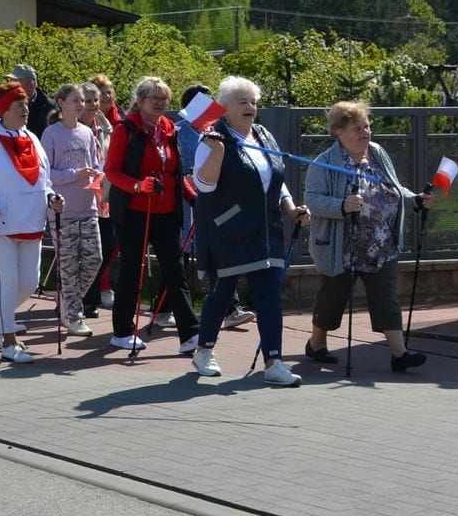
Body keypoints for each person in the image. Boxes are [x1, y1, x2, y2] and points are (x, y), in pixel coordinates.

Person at [189, 77, 310, 386]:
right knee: (222, 292)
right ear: (225, 107)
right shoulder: (211, 138)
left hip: (266, 229)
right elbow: (203, 184)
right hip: (229, 229)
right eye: (242, 102)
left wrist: (291, 209)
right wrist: (216, 152)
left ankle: (274, 362)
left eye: (253, 102)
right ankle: (204, 351)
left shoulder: (264, 135)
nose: (250, 107)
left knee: (269, 295)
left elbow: (276, 180)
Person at [303, 100, 431, 372]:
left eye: (367, 126)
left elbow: (393, 189)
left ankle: (400, 354)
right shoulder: (324, 163)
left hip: (381, 244)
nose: (365, 132)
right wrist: (342, 206)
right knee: (332, 299)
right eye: (357, 128)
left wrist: (414, 199)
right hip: (342, 246)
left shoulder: (377, 153)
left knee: (386, 297)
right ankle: (316, 343)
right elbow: (312, 200)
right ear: (338, 131)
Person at [0, 81, 65, 364]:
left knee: (29, 284)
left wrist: (53, 198)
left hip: (31, 223)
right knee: (8, 282)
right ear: (4, 109)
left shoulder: (32, 138)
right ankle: (8, 341)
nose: (26, 109)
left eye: (27, 105)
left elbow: (45, 183)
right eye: (19, 105)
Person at [103, 76, 197, 354]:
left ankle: (190, 335)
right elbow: (112, 171)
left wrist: (191, 197)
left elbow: (175, 173)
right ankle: (121, 331)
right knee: (132, 270)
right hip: (134, 212)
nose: (159, 103)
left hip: (167, 212)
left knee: (175, 270)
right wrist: (137, 185)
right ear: (140, 101)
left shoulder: (169, 128)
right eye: (153, 98)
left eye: (164, 98)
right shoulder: (126, 129)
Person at [176, 82, 256, 333]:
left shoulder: (217, 130)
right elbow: (174, 166)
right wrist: (189, 177)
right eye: (205, 101)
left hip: (214, 202)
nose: (212, 106)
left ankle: (230, 308)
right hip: (186, 202)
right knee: (180, 257)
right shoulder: (177, 132)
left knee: (218, 254)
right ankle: (171, 305)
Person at [42, 83, 103, 337]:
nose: (81, 105)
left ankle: (68, 302)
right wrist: (76, 174)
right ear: (61, 102)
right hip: (62, 210)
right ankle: (73, 315)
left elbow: (94, 164)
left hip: (88, 206)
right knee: (68, 264)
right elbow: (45, 174)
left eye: (84, 100)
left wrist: (99, 181)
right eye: (76, 100)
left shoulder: (87, 132)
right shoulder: (51, 133)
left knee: (94, 259)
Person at [78, 82, 116, 317]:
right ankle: (84, 299)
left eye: (95, 100)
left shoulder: (104, 125)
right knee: (86, 251)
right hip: (82, 195)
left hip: (104, 193)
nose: (92, 105)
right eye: (87, 100)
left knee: (108, 247)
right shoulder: (73, 128)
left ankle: (87, 295)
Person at [10, 65, 55, 139]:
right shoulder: (8, 104)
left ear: (31, 85)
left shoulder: (49, 106)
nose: (11, 88)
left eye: (16, 85)